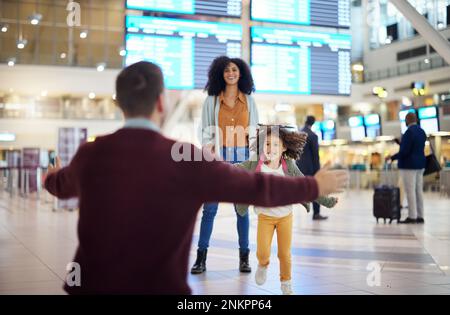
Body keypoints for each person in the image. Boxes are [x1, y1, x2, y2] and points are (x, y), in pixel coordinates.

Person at [44, 61, 348, 294]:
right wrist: (313, 185)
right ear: (162, 103)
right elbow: (256, 186)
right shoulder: (187, 159)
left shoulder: (90, 154)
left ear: (119, 104)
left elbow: (59, 185)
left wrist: (50, 176)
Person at [234, 126, 338, 295]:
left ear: (283, 148)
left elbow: (306, 185)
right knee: (262, 252)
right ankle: (263, 264)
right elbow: (235, 169)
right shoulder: (255, 163)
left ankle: (286, 284)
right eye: (267, 144)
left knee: (284, 254)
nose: (271, 148)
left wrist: (327, 201)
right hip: (265, 217)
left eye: (275, 144)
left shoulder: (288, 166)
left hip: (285, 217)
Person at [191, 56, 259, 274]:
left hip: (242, 157)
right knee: (209, 209)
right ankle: (201, 259)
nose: (231, 73)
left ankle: (244, 258)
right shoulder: (211, 99)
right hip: (218, 158)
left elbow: (255, 130)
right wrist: (209, 147)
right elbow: (204, 129)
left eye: (235, 70)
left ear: (241, 74)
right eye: (227, 70)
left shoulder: (249, 100)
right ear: (220, 73)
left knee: (242, 210)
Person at [387, 112, 426, 224]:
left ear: (407, 120)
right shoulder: (421, 131)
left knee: (410, 190)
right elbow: (414, 148)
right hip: (420, 165)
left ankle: (412, 216)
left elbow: (404, 151)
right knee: (418, 190)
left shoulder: (408, 132)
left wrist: (392, 157)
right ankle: (420, 215)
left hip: (409, 166)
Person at [296, 116, 327, 220]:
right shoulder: (313, 136)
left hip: (299, 167)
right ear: (313, 123)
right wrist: (318, 171)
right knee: (316, 190)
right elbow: (315, 156)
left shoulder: (298, 134)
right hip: (310, 169)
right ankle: (316, 213)